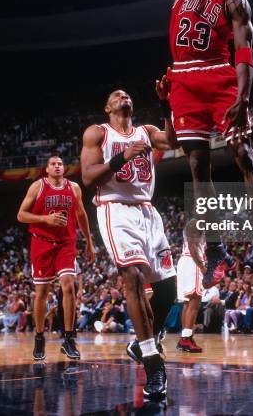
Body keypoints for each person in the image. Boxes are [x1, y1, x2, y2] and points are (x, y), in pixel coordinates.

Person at [158, 0, 253, 287]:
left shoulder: (234, 0)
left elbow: (243, 50)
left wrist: (243, 95)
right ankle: (218, 248)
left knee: (242, 152)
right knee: (196, 166)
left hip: (219, 76)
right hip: (184, 78)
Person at [81, 84, 178, 401]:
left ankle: (141, 341)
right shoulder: (98, 133)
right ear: (107, 107)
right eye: (116, 96)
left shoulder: (147, 131)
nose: (124, 96)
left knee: (168, 289)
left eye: (127, 94)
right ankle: (152, 361)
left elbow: (174, 141)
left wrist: (166, 105)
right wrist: (123, 156)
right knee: (133, 279)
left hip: (148, 211)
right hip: (115, 209)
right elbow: (88, 176)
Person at [17, 155, 95, 360]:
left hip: (66, 244)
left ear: (64, 168)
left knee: (69, 285)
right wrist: (46, 219)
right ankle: (39, 337)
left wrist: (89, 241)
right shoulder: (37, 187)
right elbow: (21, 215)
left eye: (60, 163)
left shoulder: (74, 188)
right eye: (53, 164)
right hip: (41, 242)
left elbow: (81, 215)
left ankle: (69, 338)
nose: (57, 166)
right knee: (41, 292)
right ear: (47, 169)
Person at [176, 219, 206, 352]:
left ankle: (185, 337)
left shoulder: (193, 222)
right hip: (193, 261)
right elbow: (193, 246)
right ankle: (186, 339)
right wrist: (201, 266)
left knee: (188, 302)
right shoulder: (197, 222)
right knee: (194, 301)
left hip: (186, 261)